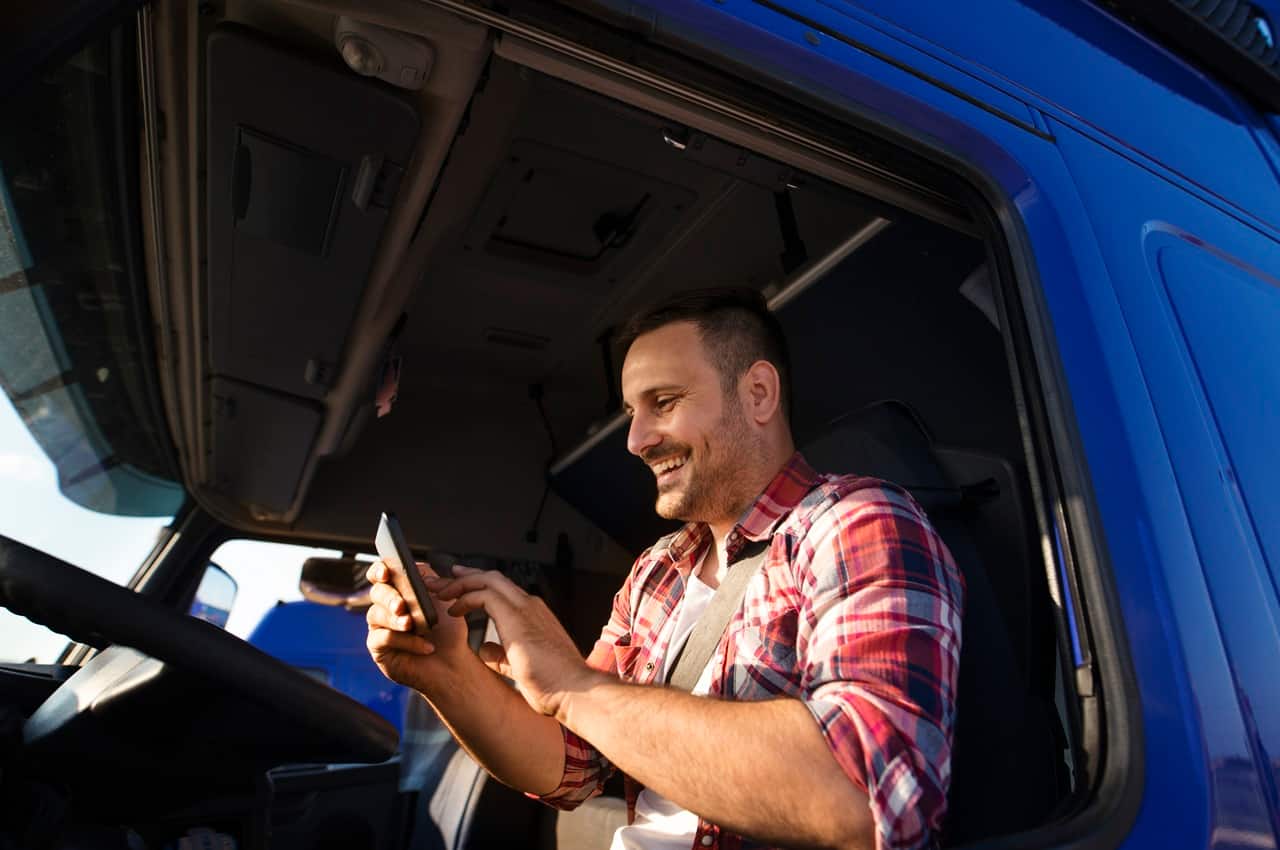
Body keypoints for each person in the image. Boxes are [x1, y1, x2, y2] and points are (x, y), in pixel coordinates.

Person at [365, 288, 964, 850]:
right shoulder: (658, 569)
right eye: (631, 410)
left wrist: (573, 686)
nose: (635, 440)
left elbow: (868, 795)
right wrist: (445, 672)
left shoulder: (856, 522)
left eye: (664, 403)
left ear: (758, 393)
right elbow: (572, 764)